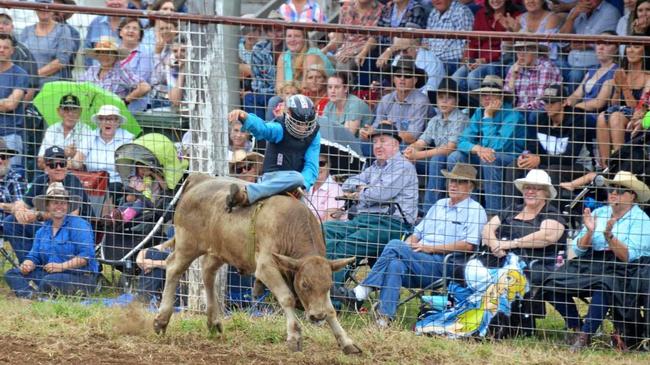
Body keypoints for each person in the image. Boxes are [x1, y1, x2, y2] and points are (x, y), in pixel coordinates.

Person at [351, 163, 487, 325]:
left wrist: (430, 248)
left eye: (459, 181)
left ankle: (363, 290)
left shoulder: (476, 211)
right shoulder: (439, 204)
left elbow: (469, 246)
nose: (453, 185)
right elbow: (416, 234)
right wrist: (411, 246)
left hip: (444, 264)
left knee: (395, 244)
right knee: (395, 264)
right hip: (419, 258)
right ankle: (384, 318)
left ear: (470, 186)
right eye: (451, 181)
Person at [544, 171, 650, 351]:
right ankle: (576, 326)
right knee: (551, 282)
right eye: (611, 188)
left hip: (626, 268)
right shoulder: (599, 212)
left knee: (605, 284)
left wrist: (609, 236)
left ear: (632, 195)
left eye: (620, 189)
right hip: (593, 260)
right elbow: (578, 249)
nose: (613, 193)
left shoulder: (642, 220)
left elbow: (628, 256)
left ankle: (585, 337)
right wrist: (590, 232)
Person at [324, 123, 418, 296]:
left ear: (396, 145)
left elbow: (381, 194)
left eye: (383, 141)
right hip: (364, 220)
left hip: (392, 225)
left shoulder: (403, 166)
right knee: (325, 230)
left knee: (345, 246)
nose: (378, 146)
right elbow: (348, 183)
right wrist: (367, 188)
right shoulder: (374, 167)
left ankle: (333, 298)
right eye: (375, 142)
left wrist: (364, 190)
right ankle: (319, 287)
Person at [225, 94, 321, 210]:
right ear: (289, 114)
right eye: (299, 123)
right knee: (298, 178)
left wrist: (303, 185)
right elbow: (263, 129)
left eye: (307, 124)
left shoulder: (314, 136)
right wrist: (245, 117)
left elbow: (311, 165)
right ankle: (248, 194)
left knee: (305, 212)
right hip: (272, 177)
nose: (303, 128)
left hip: (294, 185)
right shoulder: (279, 128)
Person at [4, 182, 98, 298]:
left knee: (50, 280)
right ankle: (31, 294)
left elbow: (86, 256)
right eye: (55, 202)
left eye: (63, 203)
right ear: (47, 206)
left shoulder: (78, 224)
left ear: (68, 205)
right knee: (12, 274)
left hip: (80, 276)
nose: (59, 206)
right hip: (51, 274)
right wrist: (28, 264)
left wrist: (61, 266)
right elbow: (34, 256)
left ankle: (35, 293)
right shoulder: (42, 231)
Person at [447, 75, 525, 215]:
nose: (486, 98)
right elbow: (462, 141)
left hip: (509, 158)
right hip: (484, 154)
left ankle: (492, 214)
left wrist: (488, 117)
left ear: (500, 96)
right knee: (455, 156)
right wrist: (477, 148)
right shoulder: (479, 112)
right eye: (483, 95)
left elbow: (497, 146)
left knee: (489, 159)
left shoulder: (513, 115)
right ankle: (469, 210)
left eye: (490, 94)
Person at [3, 146, 92, 262]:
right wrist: (19, 211)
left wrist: (37, 215)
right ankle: (30, 265)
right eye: (53, 165)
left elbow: (71, 216)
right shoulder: (41, 180)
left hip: (73, 233)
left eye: (62, 163)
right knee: (11, 221)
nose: (58, 168)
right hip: (48, 229)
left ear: (67, 165)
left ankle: (36, 270)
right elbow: (22, 203)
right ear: (45, 167)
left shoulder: (71, 180)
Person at [504, 84, 589, 205]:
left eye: (552, 102)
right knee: (514, 166)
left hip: (577, 167)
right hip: (547, 163)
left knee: (552, 171)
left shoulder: (577, 122)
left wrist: (539, 159)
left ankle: (551, 216)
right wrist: (526, 157)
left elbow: (569, 157)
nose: (548, 106)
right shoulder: (540, 120)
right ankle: (513, 212)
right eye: (546, 102)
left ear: (564, 102)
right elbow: (532, 147)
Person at [403, 77, 468, 211]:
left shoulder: (461, 119)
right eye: (441, 97)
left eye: (449, 98)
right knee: (402, 153)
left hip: (458, 160)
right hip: (436, 158)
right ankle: (405, 206)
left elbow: (450, 148)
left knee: (437, 159)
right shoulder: (435, 120)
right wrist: (410, 150)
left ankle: (429, 209)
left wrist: (418, 155)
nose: (444, 101)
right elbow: (422, 141)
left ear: (456, 101)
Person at [596, 43, 650, 168]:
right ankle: (606, 167)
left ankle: (620, 165)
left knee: (616, 117)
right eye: (629, 47)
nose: (631, 50)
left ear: (645, 52)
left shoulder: (648, 77)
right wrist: (618, 89)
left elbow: (639, 108)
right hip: (619, 111)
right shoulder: (622, 73)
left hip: (638, 115)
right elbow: (614, 104)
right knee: (602, 116)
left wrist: (625, 87)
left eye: (636, 47)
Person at [451, 0, 521, 92]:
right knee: (453, 80)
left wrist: (484, 60)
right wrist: (469, 60)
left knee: (473, 79)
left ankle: (488, 105)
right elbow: (473, 41)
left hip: (499, 61)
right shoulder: (481, 14)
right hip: (478, 60)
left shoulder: (514, 16)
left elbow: (507, 51)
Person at [363, 57, 429, 148]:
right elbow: (376, 125)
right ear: (393, 78)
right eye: (398, 75)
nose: (402, 79)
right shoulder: (386, 99)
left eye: (407, 76)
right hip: (385, 142)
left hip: (409, 146)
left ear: (415, 80)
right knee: (361, 144)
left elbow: (413, 137)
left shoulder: (421, 101)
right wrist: (367, 132)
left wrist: (388, 129)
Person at [559, 0, 620, 92]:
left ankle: (571, 105)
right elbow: (561, 41)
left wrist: (585, 43)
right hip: (570, 61)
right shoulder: (576, 11)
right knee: (553, 66)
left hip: (594, 63)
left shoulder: (610, 12)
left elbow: (603, 40)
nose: (586, 1)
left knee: (575, 75)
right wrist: (572, 17)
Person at [79, 36, 151, 112]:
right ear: (97, 55)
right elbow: (78, 87)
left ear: (116, 55)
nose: (105, 56)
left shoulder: (121, 72)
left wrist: (125, 101)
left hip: (113, 116)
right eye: (101, 53)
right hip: (92, 112)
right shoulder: (92, 70)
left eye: (109, 53)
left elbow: (145, 87)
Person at [18, 5, 74, 87]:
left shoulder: (63, 30)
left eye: (48, 6)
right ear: (35, 9)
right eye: (40, 7)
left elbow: (62, 61)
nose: (44, 10)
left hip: (51, 86)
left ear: (53, 10)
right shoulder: (26, 30)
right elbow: (20, 55)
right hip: (27, 85)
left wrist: (34, 76)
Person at [83, 105, 134, 194]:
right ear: (99, 122)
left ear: (118, 122)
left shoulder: (127, 139)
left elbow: (126, 170)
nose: (107, 122)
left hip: (115, 183)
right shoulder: (90, 136)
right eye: (103, 119)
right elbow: (78, 160)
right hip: (91, 181)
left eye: (111, 119)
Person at [243, 10, 285, 118]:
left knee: (272, 100)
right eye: (271, 30)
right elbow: (257, 81)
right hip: (266, 93)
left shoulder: (290, 48)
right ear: (266, 32)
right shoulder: (259, 49)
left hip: (288, 93)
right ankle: (257, 133)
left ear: (284, 31)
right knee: (250, 98)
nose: (275, 35)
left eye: (279, 30)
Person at [37, 94, 93, 171]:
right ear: (59, 111)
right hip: (52, 177)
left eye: (74, 109)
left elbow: (80, 165)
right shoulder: (52, 129)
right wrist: (64, 154)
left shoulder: (86, 130)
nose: (70, 113)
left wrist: (53, 162)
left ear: (80, 111)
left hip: (75, 178)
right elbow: (40, 162)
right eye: (66, 109)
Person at [419, 0, 474, 75]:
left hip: (452, 62)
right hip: (432, 60)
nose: (436, 0)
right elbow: (425, 43)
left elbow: (468, 43)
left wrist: (462, 70)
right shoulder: (433, 12)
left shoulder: (461, 12)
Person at [504, 41, 561, 111]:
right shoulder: (514, 67)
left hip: (537, 111)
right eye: (519, 51)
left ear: (536, 52)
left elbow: (542, 101)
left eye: (526, 50)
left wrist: (520, 109)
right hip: (518, 111)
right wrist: (513, 77)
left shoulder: (546, 67)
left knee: (536, 114)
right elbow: (506, 100)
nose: (521, 54)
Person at [0, 33, 28, 169]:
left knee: (14, 176)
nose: (1, 50)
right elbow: (5, 103)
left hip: (11, 134)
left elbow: (11, 104)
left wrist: (7, 103)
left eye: (5, 47)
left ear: (12, 51)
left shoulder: (20, 74)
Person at [275, 28, 334, 93]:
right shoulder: (283, 57)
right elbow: (279, 87)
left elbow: (305, 89)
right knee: (274, 100)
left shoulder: (311, 56)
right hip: (291, 96)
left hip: (318, 96)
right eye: (289, 36)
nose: (292, 40)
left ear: (305, 38)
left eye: (297, 36)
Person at [322, 72, 373, 138]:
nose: (332, 91)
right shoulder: (329, 105)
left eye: (337, 87)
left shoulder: (355, 104)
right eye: (330, 87)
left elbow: (346, 136)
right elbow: (322, 130)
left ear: (346, 89)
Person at [83, 0, 128, 66]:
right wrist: (90, 73)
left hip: (125, 74)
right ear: (105, 2)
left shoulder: (135, 23)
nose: (115, 2)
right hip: (97, 74)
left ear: (127, 2)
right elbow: (87, 50)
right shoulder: (96, 22)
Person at [306, 152, 345, 222]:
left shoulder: (335, 190)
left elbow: (329, 222)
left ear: (329, 166)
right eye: (313, 163)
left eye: (321, 164)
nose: (317, 167)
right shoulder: (307, 186)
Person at [0, 137, 27, 224]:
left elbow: (22, 208)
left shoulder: (16, 178)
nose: (0, 161)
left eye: (3, 157)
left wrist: (2, 205)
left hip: (6, 230)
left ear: (8, 159)